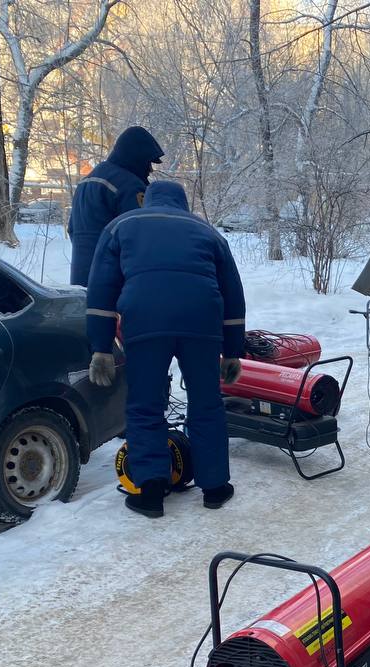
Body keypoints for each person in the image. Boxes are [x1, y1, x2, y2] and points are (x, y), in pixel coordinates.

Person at [85, 180, 246, 518]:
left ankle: (151, 490)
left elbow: (100, 289)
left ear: (148, 200)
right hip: (201, 321)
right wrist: (233, 351)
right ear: (183, 204)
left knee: (145, 404)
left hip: (144, 321)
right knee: (206, 403)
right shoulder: (207, 232)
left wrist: (101, 346)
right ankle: (215, 488)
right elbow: (233, 294)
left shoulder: (121, 226)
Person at [66, 126, 164, 286]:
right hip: (112, 280)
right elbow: (140, 234)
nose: (150, 170)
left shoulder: (87, 181)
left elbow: (72, 229)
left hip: (81, 278)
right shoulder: (128, 185)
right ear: (136, 157)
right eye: (148, 162)